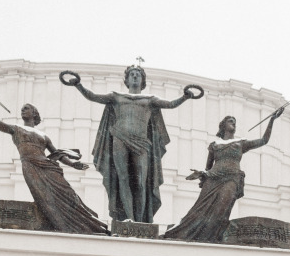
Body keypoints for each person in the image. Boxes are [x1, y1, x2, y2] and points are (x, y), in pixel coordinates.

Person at [61, 66, 203, 223]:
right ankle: (129, 218)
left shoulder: (150, 99)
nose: (135, 77)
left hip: (142, 143)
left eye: (138, 75)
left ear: (143, 81)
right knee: (123, 179)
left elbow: (170, 104)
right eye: (132, 75)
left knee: (141, 183)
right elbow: (93, 96)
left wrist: (185, 97)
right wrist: (78, 85)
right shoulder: (116, 96)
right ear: (126, 80)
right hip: (119, 139)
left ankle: (140, 221)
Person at [0, 89, 108, 234]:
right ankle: (64, 225)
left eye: (26, 108)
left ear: (34, 113)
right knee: (45, 198)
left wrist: (73, 164)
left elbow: (56, 153)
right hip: (30, 165)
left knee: (68, 194)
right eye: (21, 109)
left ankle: (92, 225)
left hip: (48, 166)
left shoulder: (43, 135)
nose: (22, 110)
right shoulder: (15, 129)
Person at [163, 109, 284, 243]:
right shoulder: (214, 145)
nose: (233, 123)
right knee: (200, 209)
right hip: (213, 178)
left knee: (222, 208)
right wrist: (202, 174)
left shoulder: (241, 143)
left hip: (232, 178)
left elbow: (263, 140)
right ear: (223, 126)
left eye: (234, 122)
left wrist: (272, 120)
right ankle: (188, 234)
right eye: (230, 121)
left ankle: (211, 236)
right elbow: (208, 167)